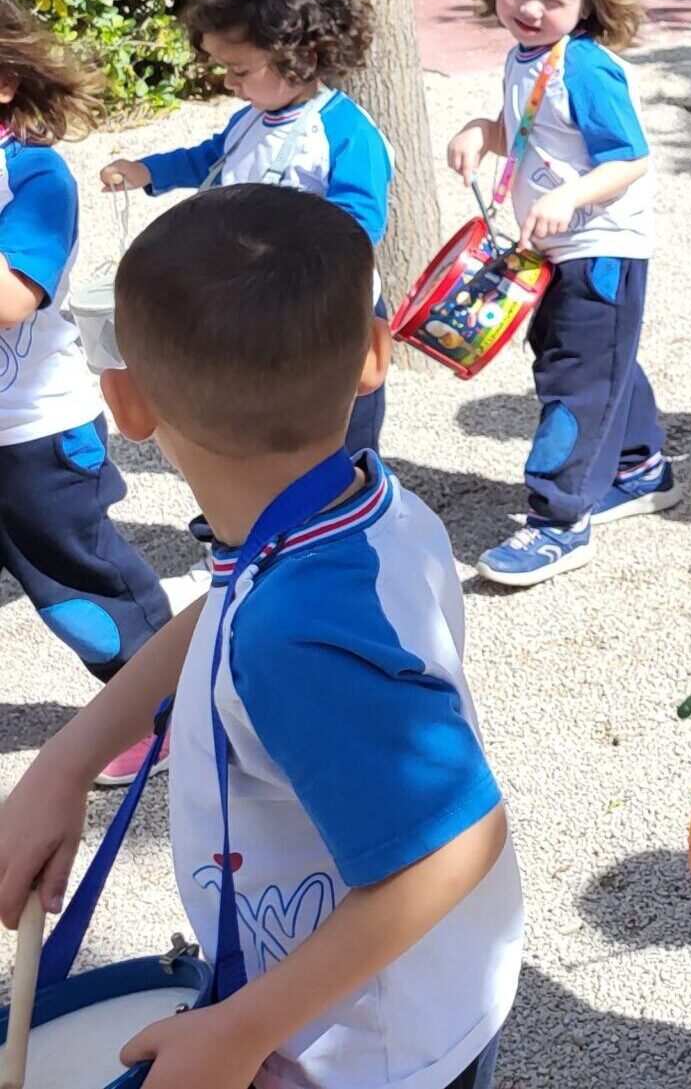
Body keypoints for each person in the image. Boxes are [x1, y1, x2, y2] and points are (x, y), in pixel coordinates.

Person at [0, 185, 522, 1089]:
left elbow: (456, 841)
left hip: (370, 1053)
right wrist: (68, 759)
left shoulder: (300, 633)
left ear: (121, 402)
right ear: (374, 356)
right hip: (371, 1002)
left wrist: (243, 1027)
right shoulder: (345, 507)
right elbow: (228, 602)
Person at [446, 0, 674, 585]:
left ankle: (558, 521)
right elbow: (531, 128)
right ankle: (640, 466)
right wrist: (482, 132)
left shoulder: (585, 67)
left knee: (572, 383)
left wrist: (569, 197)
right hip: (556, 246)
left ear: (588, 4)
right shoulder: (528, 57)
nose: (531, 8)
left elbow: (630, 157)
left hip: (599, 247)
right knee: (597, 361)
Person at [97, 0, 393, 459]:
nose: (230, 84)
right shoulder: (251, 118)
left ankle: (348, 508)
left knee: (338, 429)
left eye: (239, 70)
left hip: (326, 307)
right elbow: (211, 158)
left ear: (302, 56)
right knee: (266, 420)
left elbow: (360, 222)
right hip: (260, 303)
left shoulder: (346, 132)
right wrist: (148, 172)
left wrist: (303, 266)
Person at [0, 0, 173, 787]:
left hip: (33, 432)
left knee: (77, 581)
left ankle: (160, 704)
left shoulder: (35, 177)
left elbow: (12, 300)